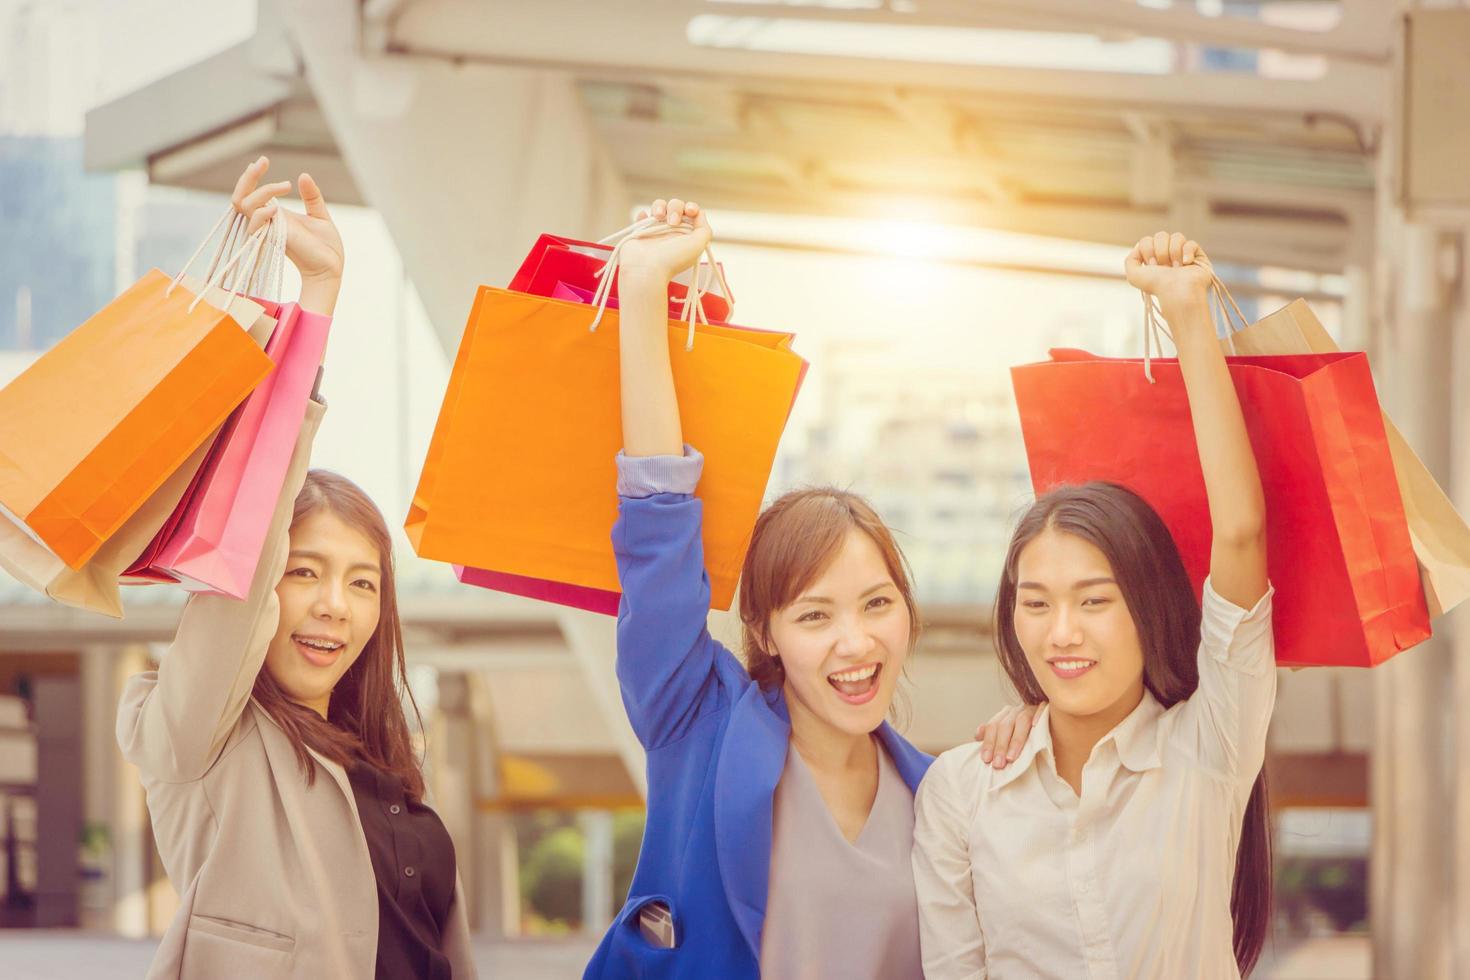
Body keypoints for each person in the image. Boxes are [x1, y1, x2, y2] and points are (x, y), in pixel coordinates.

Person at [116, 158, 475, 980]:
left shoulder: (381, 762)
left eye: (362, 583)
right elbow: (250, 527)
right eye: (304, 572)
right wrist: (315, 302)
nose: (335, 608)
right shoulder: (201, 739)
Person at [913, 232, 1275, 979]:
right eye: (1036, 603)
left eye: (1095, 600)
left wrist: (1188, 316)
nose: (1062, 633)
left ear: (1147, 606)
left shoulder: (1207, 750)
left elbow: (1240, 531)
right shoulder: (962, 789)